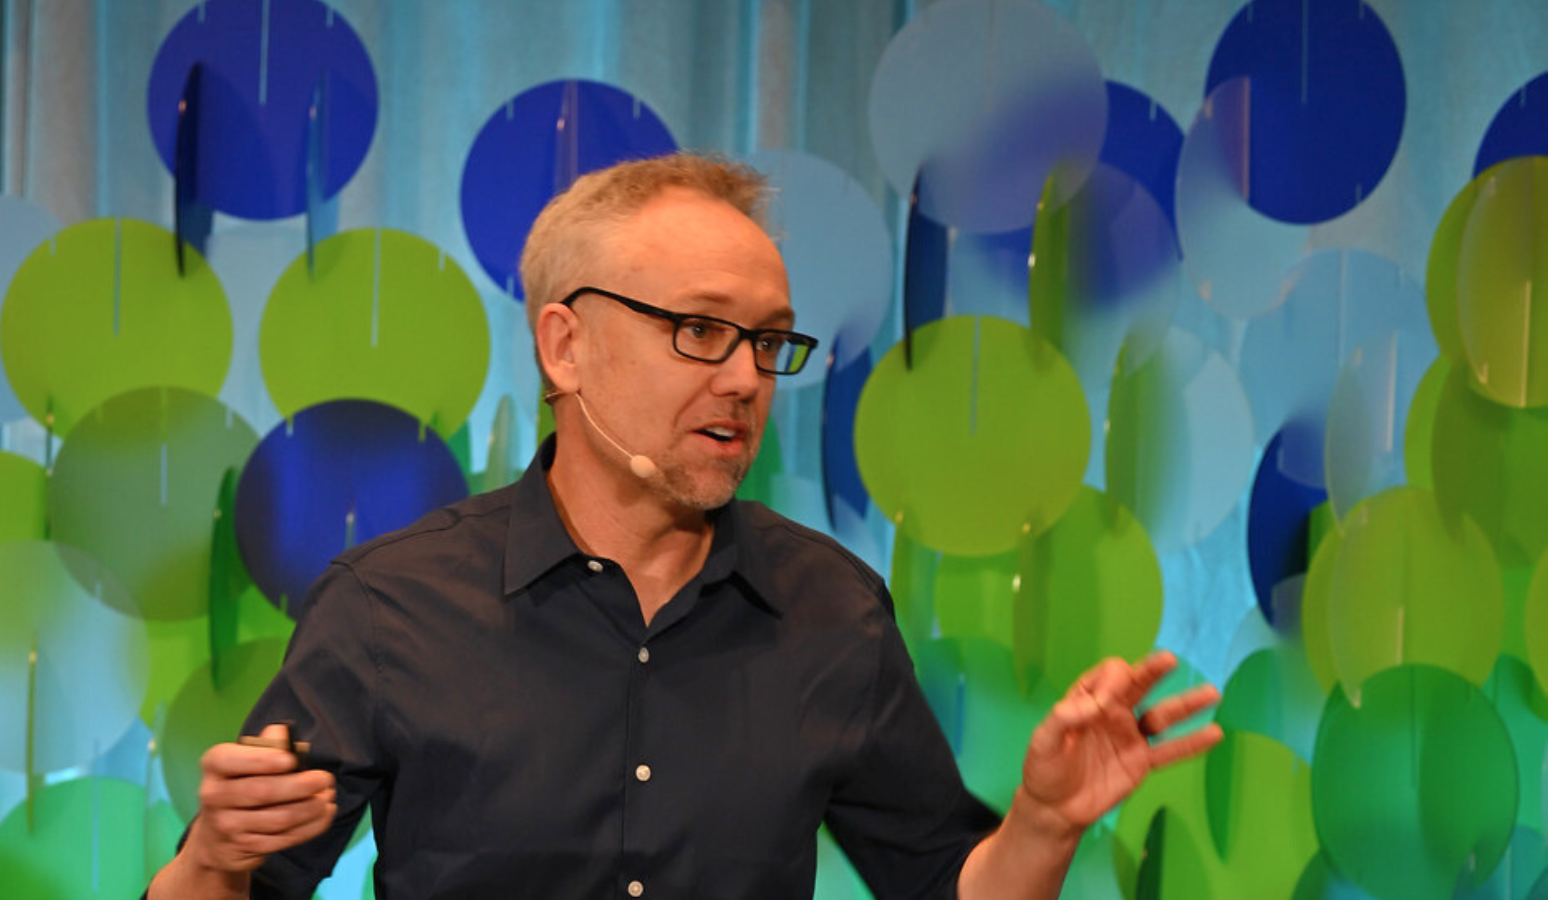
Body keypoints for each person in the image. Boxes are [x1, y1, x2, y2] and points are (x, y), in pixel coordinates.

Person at [147, 153, 1223, 899]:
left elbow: (943, 887)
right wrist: (215, 865)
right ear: (564, 347)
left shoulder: (833, 610)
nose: (747, 379)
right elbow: (234, 888)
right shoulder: (391, 605)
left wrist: (1042, 822)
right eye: (701, 331)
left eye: (770, 343)